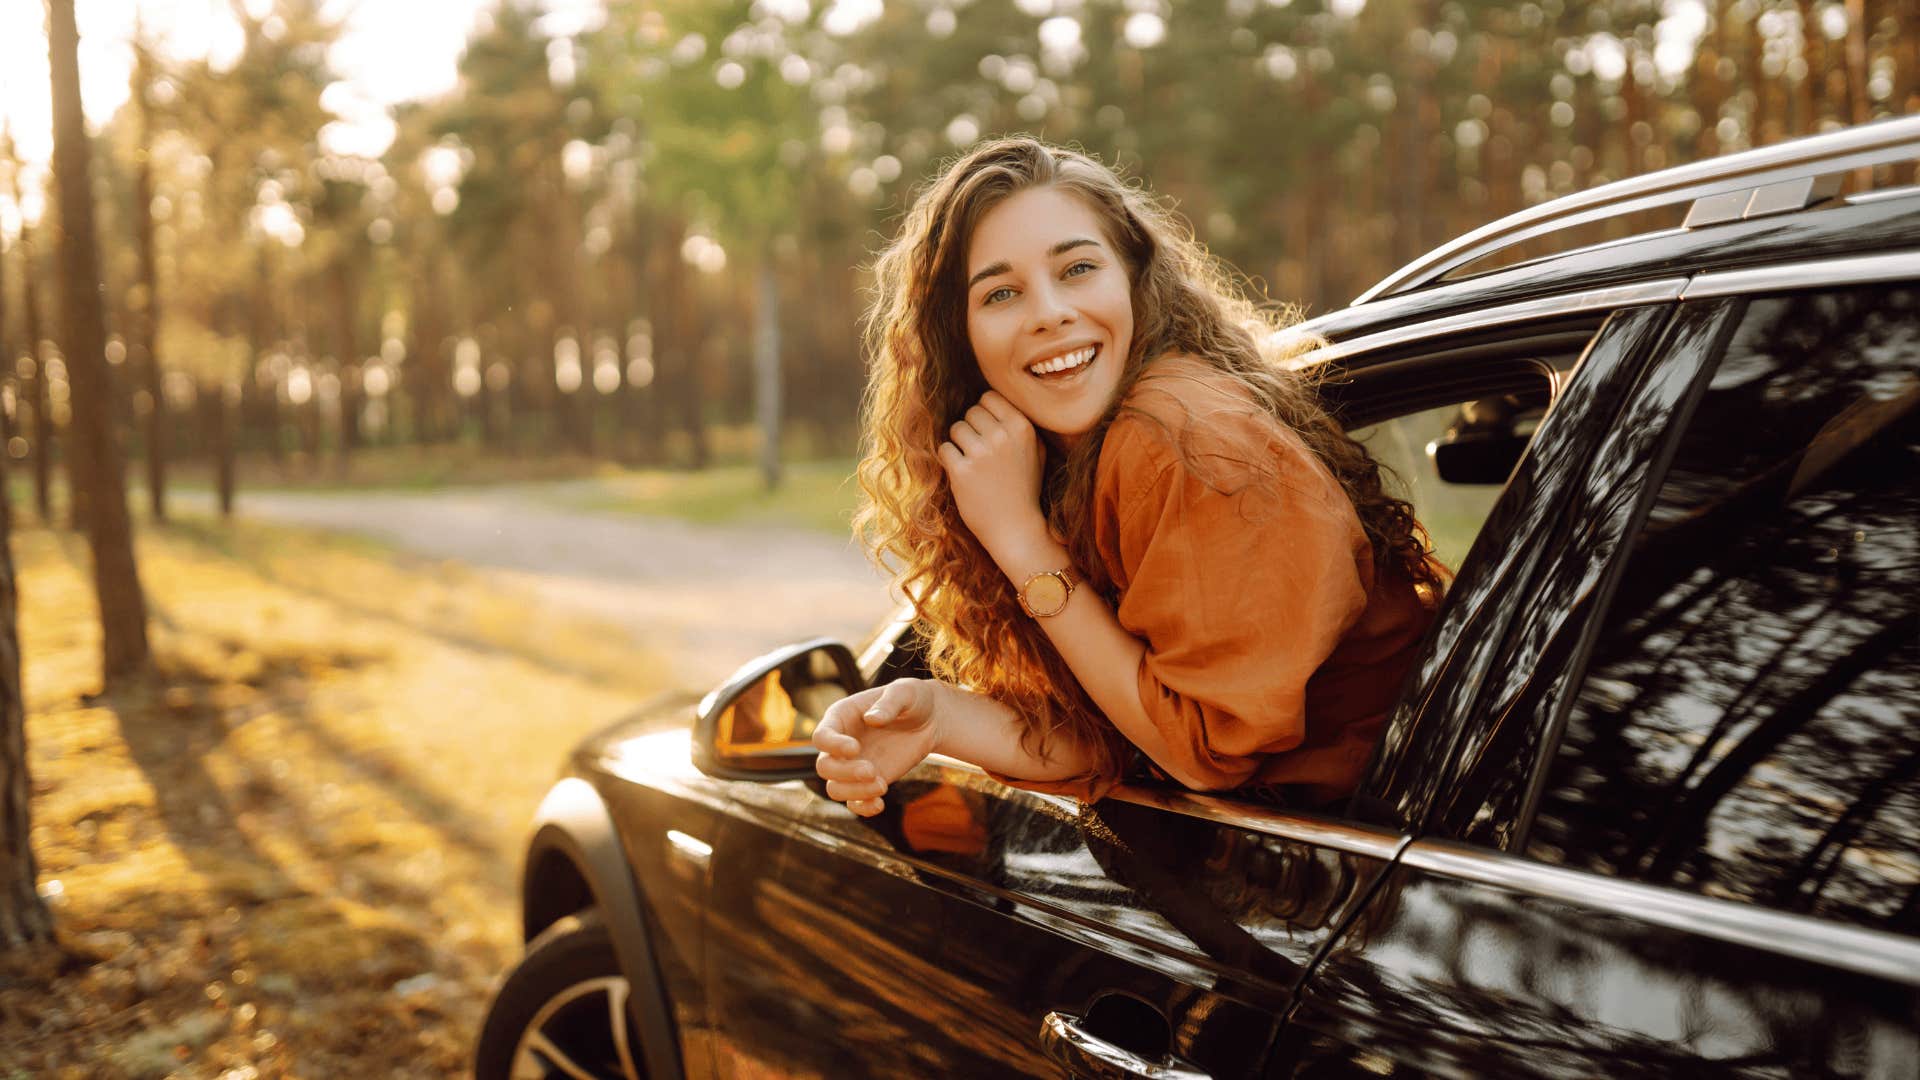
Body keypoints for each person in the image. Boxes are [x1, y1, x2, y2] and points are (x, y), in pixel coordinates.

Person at [814, 137, 1444, 818]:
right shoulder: (1078, 457)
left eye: (1078, 268)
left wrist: (1021, 539)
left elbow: (1200, 752)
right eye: (1001, 293)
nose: (1050, 312)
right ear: (958, 336)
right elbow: (1132, 732)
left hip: (1384, 858)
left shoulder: (1177, 436)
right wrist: (941, 718)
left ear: (1135, 279)